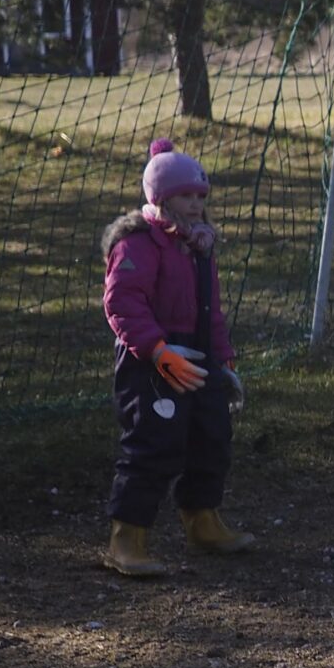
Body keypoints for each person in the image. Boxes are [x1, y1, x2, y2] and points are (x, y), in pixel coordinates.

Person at [97, 138, 253, 577]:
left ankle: (202, 520)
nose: (196, 204)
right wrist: (159, 351)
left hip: (198, 356)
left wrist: (224, 361)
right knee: (152, 444)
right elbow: (123, 305)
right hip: (151, 361)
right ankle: (127, 537)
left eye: (201, 196)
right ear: (162, 197)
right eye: (186, 196)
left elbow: (213, 311)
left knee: (211, 435)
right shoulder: (138, 244)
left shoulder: (199, 246)